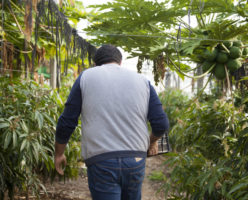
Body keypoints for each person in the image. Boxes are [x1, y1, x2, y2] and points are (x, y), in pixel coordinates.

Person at [54, 44, 169, 200]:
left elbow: (67, 121)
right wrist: (151, 142)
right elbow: (161, 124)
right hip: (135, 160)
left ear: (95, 64)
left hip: (101, 161)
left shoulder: (86, 77)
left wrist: (59, 153)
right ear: (120, 62)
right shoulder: (143, 81)